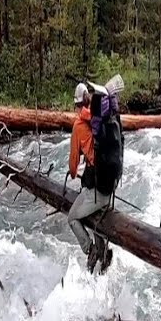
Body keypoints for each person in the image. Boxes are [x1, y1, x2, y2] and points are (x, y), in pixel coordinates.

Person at [66, 79, 124, 274]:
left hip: (99, 189)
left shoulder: (78, 126)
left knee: (73, 217)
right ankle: (103, 251)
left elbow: (74, 162)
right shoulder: (100, 118)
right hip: (110, 184)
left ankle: (90, 249)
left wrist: (73, 173)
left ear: (77, 105)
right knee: (92, 213)